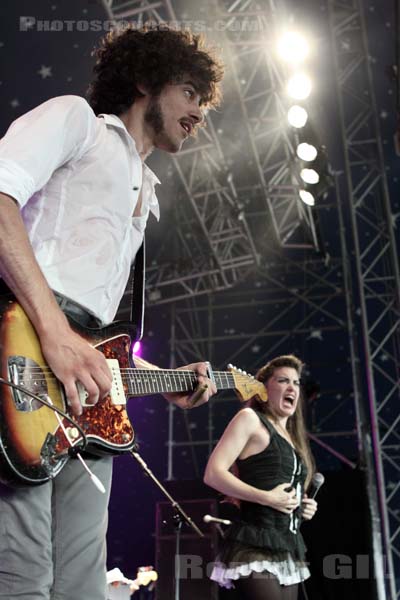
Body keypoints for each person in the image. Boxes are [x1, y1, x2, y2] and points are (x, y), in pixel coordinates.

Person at [0, 25, 223, 600]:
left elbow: (103, 331)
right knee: (22, 572)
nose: (200, 111)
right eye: (191, 91)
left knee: (81, 584)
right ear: (147, 79)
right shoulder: (78, 120)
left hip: (89, 389)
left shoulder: (147, 192)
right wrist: (52, 333)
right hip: (24, 349)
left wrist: (159, 380)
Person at [204, 355, 318, 600]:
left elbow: (281, 488)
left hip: (287, 545)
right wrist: (266, 498)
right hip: (254, 543)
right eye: (283, 381)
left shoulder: (292, 438)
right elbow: (213, 473)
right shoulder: (251, 419)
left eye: (296, 383)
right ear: (264, 388)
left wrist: (303, 506)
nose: (292, 388)